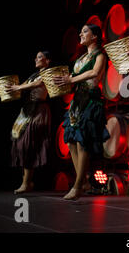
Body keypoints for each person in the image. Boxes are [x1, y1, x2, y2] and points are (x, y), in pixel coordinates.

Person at [53, 23, 110, 201]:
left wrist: (71, 79)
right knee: (70, 141)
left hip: (91, 101)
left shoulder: (100, 54)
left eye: (85, 31)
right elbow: (74, 81)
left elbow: (94, 73)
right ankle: (83, 181)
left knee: (82, 142)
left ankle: (77, 185)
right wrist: (65, 83)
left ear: (95, 36)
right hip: (77, 101)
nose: (80, 33)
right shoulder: (79, 59)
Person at [6, 51, 52, 194]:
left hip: (39, 110)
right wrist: (13, 88)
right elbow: (24, 85)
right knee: (20, 143)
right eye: (36, 57)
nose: (36, 59)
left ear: (48, 61)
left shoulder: (48, 73)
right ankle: (27, 181)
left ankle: (26, 183)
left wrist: (18, 87)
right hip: (28, 109)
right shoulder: (34, 74)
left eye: (39, 57)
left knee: (28, 144)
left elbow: (38, 84)